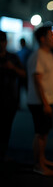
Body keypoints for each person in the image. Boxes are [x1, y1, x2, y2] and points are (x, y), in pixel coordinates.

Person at [27, 25, 53, 176]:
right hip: (38, 101)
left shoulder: (49, 55)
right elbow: (37, 81)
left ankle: (42, 159)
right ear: (42, 39)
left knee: (44, 132)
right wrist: (45, 103)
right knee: (40, 133)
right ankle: (38, 165)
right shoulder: (38, 55)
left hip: (46, 100)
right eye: (50, 36)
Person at [0, 31, 26, 162]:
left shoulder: (13, 57)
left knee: (6, 128)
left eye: (3, 41)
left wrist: (12, 68)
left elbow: (23, 74)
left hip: (10, 99)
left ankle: (3, 153)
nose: (1, 44)